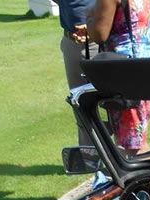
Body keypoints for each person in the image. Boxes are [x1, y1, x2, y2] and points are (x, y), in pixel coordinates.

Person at [87, 0, 150, 154]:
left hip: (124, 74)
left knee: (134, 146)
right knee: (135, 139)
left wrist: (89, 17)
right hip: (146, 67)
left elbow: (99, 34)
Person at [58, 0, 96, 144]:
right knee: (83, 109)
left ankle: (120, 156)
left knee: (116, 110)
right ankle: (90, 156)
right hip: (73, 42)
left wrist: (94, 25)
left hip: (101, 40)